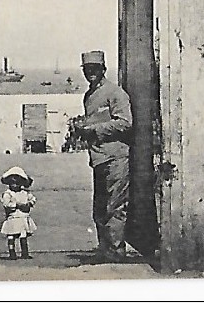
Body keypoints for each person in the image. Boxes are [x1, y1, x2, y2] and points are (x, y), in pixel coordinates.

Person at [72, 50, 133, 262]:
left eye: (95, 69)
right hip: (98, 158)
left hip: (116, 157)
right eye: (87, 70)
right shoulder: (88, 96)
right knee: (99, 207)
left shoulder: (116, 93)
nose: (91, 73)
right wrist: (82, 127)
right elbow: (94, 120)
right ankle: (105, 249)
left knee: (115, 206)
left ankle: (116, 252)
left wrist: (94, 130)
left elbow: (125, 123)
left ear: (103, 70)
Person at [0, 166, 37, 260]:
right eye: (13, 183)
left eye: (18, 183)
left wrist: (28, 204)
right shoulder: (8, 194)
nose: (15, 185)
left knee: (23, 235)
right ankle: (12, 252)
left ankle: (25, 252)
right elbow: (7, 204)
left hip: (23, 217)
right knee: (11, 236)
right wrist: (17, 205)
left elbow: (33, 199)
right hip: (13, 217)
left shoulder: (24, 193)